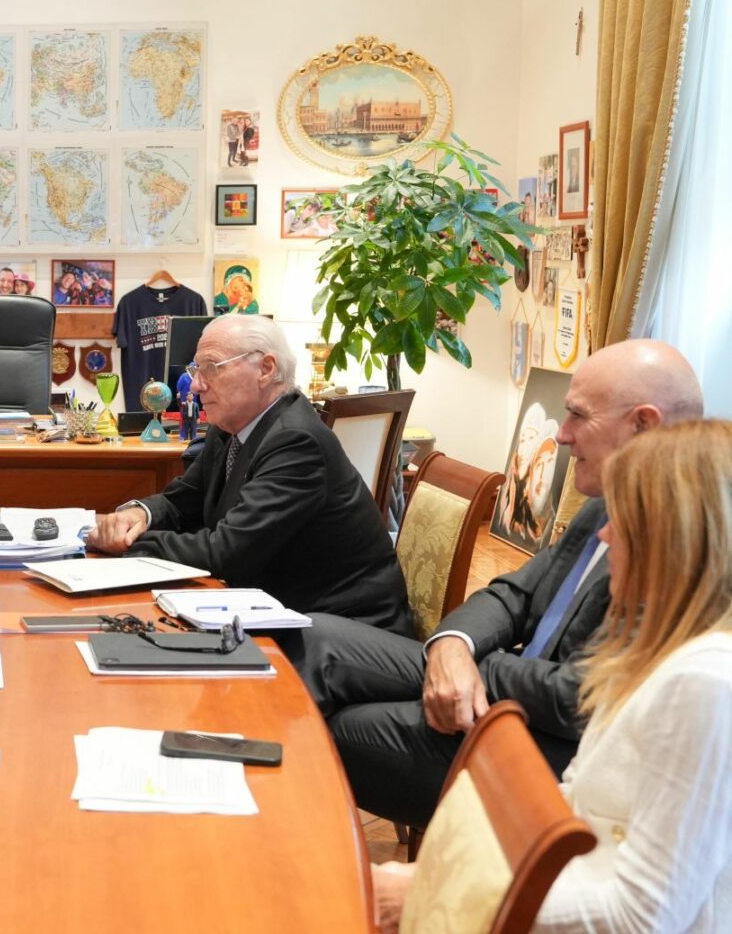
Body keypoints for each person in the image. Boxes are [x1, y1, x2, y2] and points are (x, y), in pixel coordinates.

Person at [296, 339, 704, 829]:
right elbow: (513, 593)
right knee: (314, 637)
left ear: (644, 424)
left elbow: (581, 697)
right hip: (512, 685)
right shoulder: (603, 501)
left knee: (336, 731)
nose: (563, 435)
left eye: (578, 416)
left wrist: (479, 669)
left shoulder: (680, 539)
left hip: (549, 750)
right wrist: (453, 645)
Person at [372, 418, 732, 933]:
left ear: (675, 537)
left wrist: (435, 894)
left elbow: (643, 916)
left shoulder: (705, 684)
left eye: (625, 518)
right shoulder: (654, 655)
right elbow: (570, 809)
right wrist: (432, 879)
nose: (604, 534)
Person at [89, 314, 412, 631]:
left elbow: (226, 553)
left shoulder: (297, 441)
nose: (196, 385)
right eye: (195, 370)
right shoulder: (231, 426)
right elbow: (183, 500)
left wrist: (130, 542)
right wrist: (138, 515)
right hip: (276, 606)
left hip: (341, 628)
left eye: (211, 367)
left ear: (266, 369)